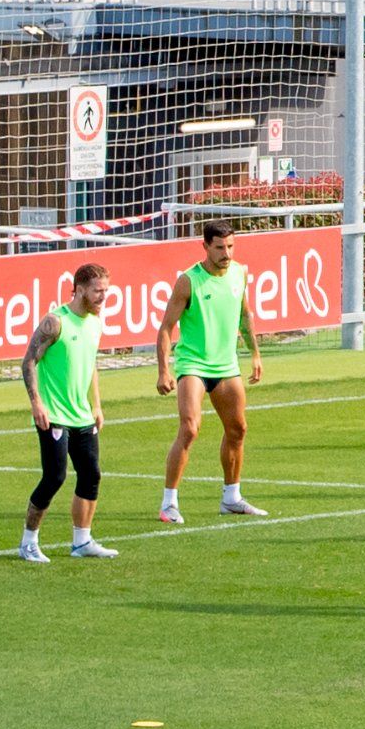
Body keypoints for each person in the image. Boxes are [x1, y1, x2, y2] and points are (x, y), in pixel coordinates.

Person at [156, 219, 267, 524]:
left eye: (230, 246)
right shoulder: (188, 281)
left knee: (238, 429)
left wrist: (255, 353)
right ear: (205, 246)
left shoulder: (239, 273)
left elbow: (245, 313)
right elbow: (166, 328)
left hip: (226, 365)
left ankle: (231, 498)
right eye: (219, 247)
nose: (226, 253)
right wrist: (164, 370)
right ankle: (169, 503)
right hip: (193, 364)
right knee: (190, 428)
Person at [17, 261, 118, 563]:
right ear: (81, 289)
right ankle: (28, 542)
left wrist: (96, 404)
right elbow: (29, 362)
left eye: (106, 291)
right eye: (98, 291)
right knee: (54, 477)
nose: (103, 297)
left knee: (91, 475)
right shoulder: (55, 322)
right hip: (55, 414)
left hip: (82, 415)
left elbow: (91, 365)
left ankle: (82, 541)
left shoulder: (95, 322)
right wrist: (37, 402)